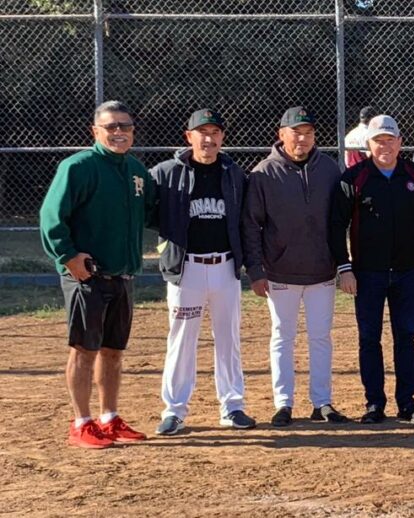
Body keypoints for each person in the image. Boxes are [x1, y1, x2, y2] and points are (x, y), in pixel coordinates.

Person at [40, 100, 155, 448]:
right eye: (111, 126)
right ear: (96, 131)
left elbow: (153, 211)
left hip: (122, 275)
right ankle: (82, 422)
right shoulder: (78, 167)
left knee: (113, 351)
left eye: (125, 126)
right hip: (87, 276)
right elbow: (51, 217)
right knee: (83, 349)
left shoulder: (136, 170)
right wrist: (68, 257)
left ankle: (109, 417)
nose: (119, 132)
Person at [150, 109, 255, 435]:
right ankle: (175, 411)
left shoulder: (234, 173)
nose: (208, 139)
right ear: (189, 136)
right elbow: (148, 213)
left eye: (215, 132)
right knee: (181, 341)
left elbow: (244, 223)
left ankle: (233, 406)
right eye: (202, 132)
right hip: (187, 270)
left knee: (229, 340)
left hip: (224, 267)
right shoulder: (166, 173)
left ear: (222, 137)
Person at [243, 106, 349, 427]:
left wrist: (343, 263)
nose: (302, 138)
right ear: (281, 135)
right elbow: (251, 225)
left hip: (321, 269)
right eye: (295, 132)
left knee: (321, 337)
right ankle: (283, 403)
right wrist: (256, 270)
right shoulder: (264, 173)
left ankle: (322, 402)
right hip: (280, 271)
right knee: (282, 337)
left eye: (308, 132)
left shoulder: (329, 169)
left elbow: (341, 219)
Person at [329, 115, 414, 425]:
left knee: (406, 337)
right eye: (379, 141)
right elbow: (337, 225)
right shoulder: (354, 178)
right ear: (368, 145)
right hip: (367, 273)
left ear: (400, 143)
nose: (385, 146)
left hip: (405, 272)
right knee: (369, 339)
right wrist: (344, 268)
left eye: (390, 140)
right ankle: (374, 403)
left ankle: (407, 402)